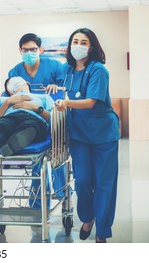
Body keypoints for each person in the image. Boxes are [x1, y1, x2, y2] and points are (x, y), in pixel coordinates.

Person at [55, 28, 120, 243]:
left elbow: (91, 102)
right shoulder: (66, 70)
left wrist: (66, 102)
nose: (79, 45)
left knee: (104, 183)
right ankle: (87, 216)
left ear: (90, 47)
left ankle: (101, 231)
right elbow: (56, 87)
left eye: (84, 42)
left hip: (104, 136)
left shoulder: (98, 70)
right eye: (75, 41)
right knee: (82, 181)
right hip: (80, 136)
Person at [8, 33, 66, 208]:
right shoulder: (15, 72)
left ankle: (62, 194)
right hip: (30, 121)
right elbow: (8, 95)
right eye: (25, 50)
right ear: (20, 50)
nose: (29, 53)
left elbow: (65, 91)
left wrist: (57, 87)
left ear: (40, 50)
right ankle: (37, 204)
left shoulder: (55, 66)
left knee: (57, 158)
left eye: (33, 49)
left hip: (52, 119)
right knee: (36, 162)